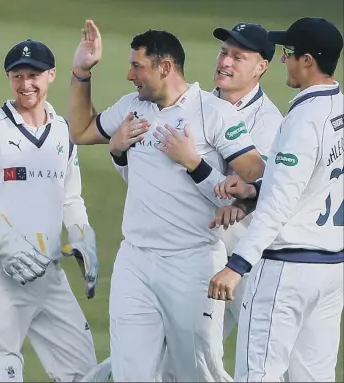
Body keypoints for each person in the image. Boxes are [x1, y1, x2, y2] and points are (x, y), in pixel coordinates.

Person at [68, 20, 266, 381]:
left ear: (166, 67)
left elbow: (254, 171)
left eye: (137, 66)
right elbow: (80, 130)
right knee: (132, 370)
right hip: (136, 261)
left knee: (198, 372)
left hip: (191, 263)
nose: (130, 75)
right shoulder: (133, 107)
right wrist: (82, 73)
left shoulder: (214, 113)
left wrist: (206, 171)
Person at [0, 39, 110, 383]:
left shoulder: (64, 131)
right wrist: (1, 241)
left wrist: (82, 234)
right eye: (17, 76)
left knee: (85, 373)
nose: (25, 84)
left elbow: (70, 198)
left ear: (51, 75)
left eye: (33, 75)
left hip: (49, 274)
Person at [208, 17, 344, 382]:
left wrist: (236, 266)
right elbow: (307, 183)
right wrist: (253, 190)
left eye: (288, 53)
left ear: (307, 61)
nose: (283, 60)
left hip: (288, 270)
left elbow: (279, 205)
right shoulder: (340, 111)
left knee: (258, 375)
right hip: (332, 270)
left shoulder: (303, 119)